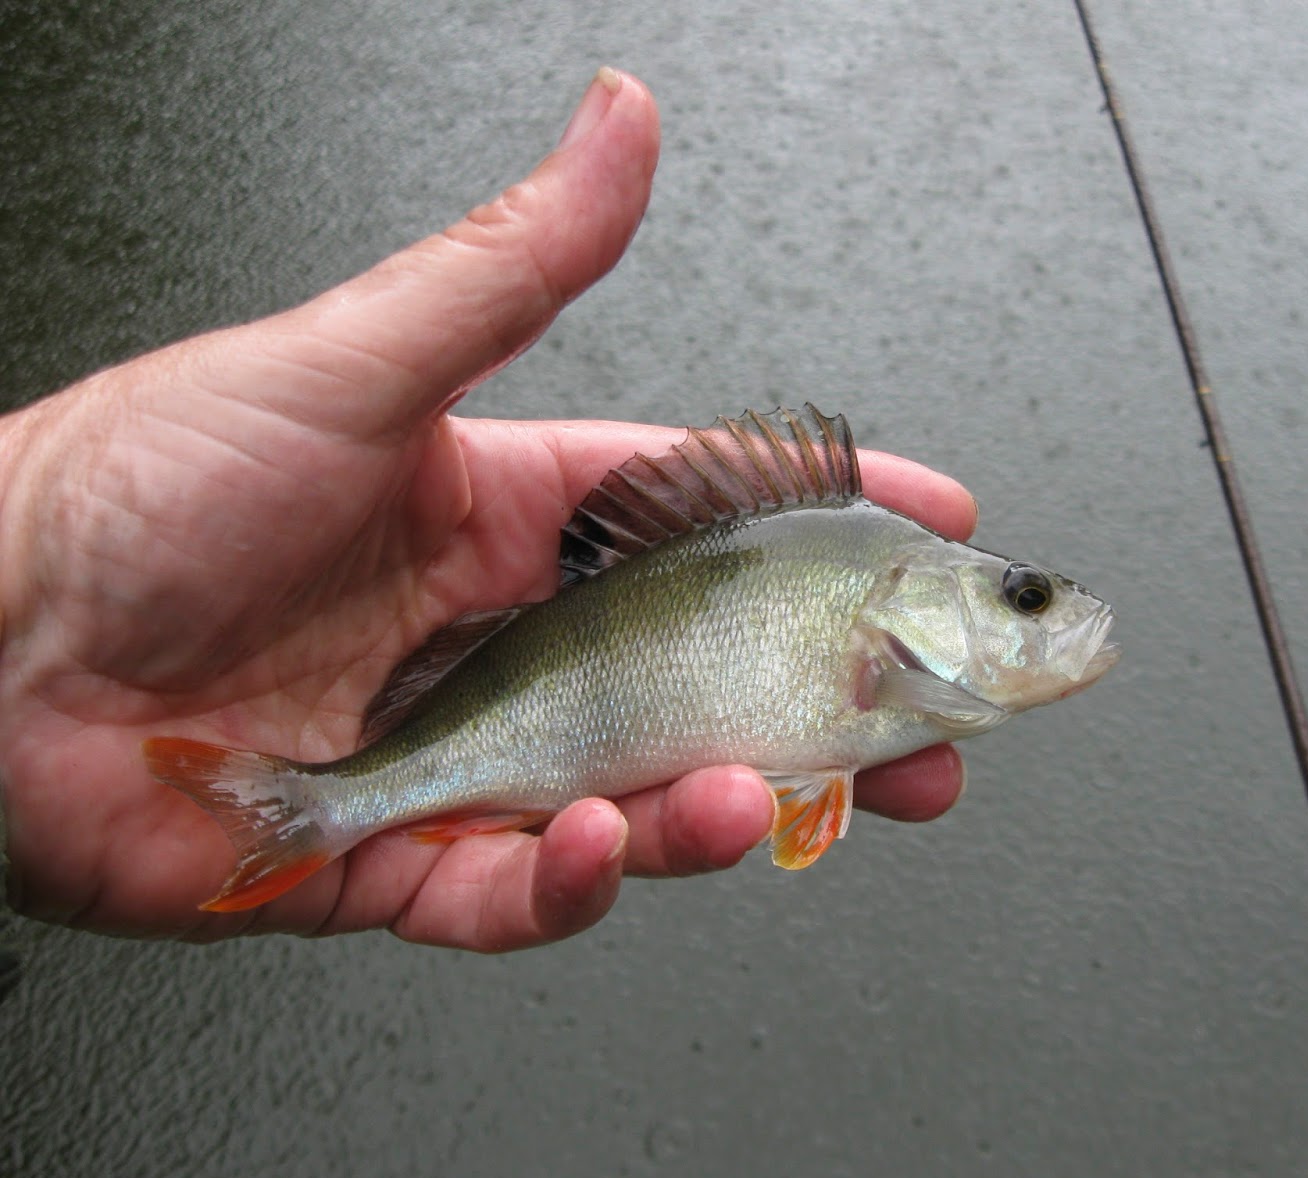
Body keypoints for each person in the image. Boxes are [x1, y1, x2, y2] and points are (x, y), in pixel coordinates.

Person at [0, 69, 975, 952]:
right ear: (907, 594)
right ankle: (329, 803)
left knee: (660, 823)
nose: (1046, 614)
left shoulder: (883, 635)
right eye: (1021, 598)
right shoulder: (872, 600)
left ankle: (332, 803)